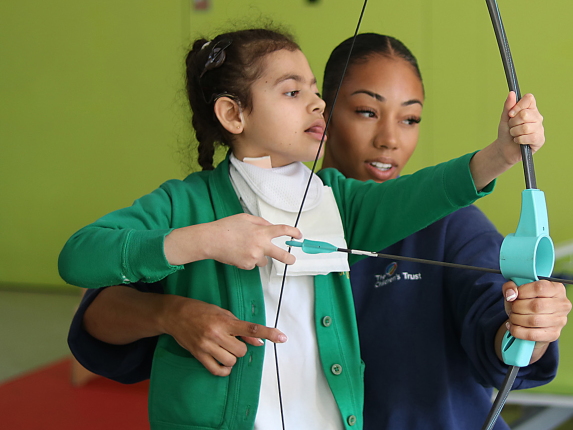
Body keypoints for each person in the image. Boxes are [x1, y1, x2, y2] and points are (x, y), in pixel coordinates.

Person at [58, 28, 547, 430]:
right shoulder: (185, 203)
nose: (316, 104)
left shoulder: (343, 202)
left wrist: (500, 154)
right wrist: (206, 242)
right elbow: (80, 258)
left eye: (315, 91)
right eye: (294, 92)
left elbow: (425, 193)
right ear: (233, 113)